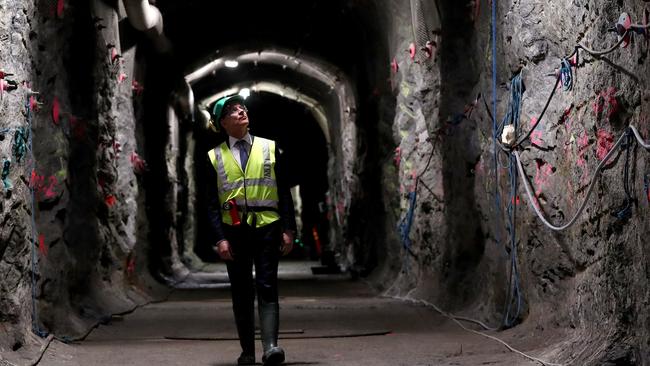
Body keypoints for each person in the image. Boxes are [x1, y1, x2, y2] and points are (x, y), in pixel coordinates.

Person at [205, 94, 296, 366]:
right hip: (234, 231)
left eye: (242, 107)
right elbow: (210, 203)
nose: (241, 111)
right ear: (223, 122)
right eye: (233, 110)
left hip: (267, 227)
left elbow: (284, 192)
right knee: (241, 290)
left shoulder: (269, 148)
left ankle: (271, 347)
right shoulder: (214, 157)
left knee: (267, 285)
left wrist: (289, 229)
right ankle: (247, 351)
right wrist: (219, 238)